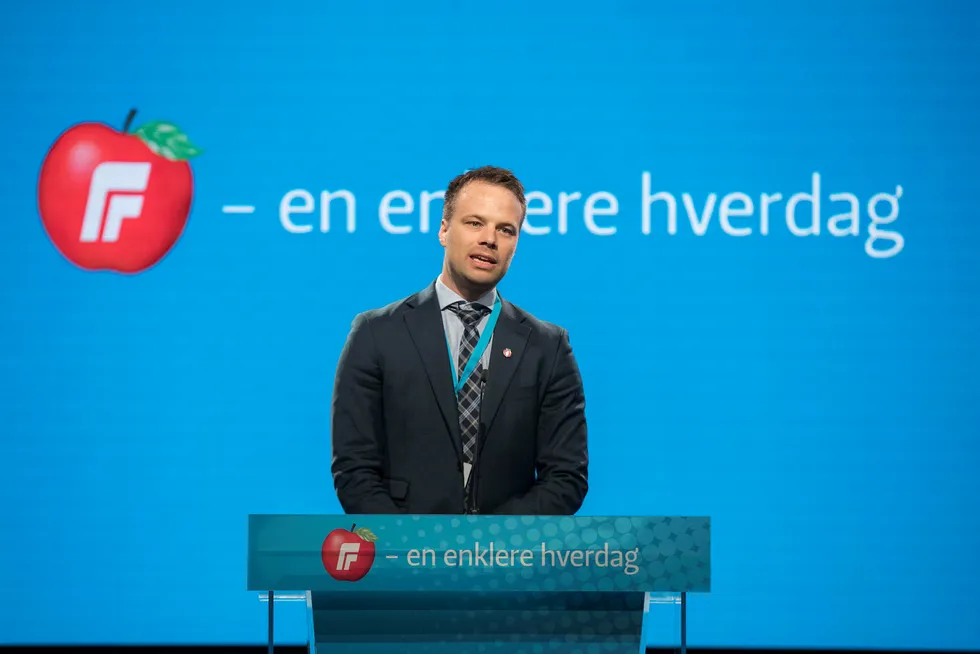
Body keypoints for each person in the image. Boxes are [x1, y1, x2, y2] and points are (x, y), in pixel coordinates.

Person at [330, 165, 588, 516]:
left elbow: (566, 478)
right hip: (406, 556)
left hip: (506, 559)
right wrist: (414, 545)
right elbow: (355, 470)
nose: (490, 239)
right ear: (444, 229)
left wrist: (488, 544)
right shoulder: (376, 333)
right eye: (475, 223)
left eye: (506, 230)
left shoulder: (548, 347)